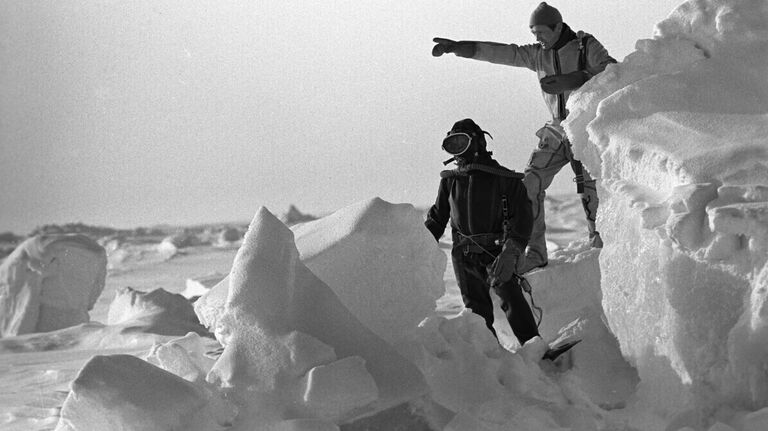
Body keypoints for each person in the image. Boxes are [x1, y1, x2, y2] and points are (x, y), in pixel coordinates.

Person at [432, 2, 616, 272]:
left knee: (590, 190)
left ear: (558, 27)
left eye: (541, 32)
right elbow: (504, 53)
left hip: (586, 127)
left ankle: (600, 244)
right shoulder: (537, 55)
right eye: (533, 33)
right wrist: (459, 47)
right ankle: (535, 252)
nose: (537, 38)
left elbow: (612, 71)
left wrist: (575, 79)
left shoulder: (584, 46)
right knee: (528, 184)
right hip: (556, 130)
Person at [425, 118, 539, 345]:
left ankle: (535, 348)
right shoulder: (450, 182)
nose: (458, 150)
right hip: (463, 255)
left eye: (462, 143)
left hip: (497, 252)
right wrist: (416, 247)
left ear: (477, 143)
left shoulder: (506, 180)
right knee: (475, 310)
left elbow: (523, 218)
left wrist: (511, 251)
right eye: (452, 144)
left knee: (512, 298)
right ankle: (491, 359)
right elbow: (437, 219)